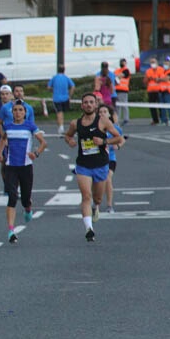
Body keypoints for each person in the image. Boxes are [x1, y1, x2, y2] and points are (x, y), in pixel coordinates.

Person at [63, 93, 123, 242]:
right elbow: (68, 135)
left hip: (101, 164)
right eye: (86, 102)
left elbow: (118, 137)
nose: (88, 105)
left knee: (96, 198)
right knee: (86, 196)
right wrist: (69, 141)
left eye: (91, 102)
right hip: (83, 165)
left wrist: (103, 142)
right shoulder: (75, 123)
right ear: (82, 105)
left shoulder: (103, 122)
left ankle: (96, 207)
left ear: (96, 105)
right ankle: (89, 229)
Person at [0, 100, 46, 244]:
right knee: (12, 197)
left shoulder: (30, 126)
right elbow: (3, 140)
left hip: (26, 167)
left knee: (25, 198)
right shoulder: (8, 126)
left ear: (25, 113)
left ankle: (28, 208)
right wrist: (0, 154)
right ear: (12, 113)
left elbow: (43, 142)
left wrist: (35, 154)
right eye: (15, 110)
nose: (17, 112)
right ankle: (11, 230)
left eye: (20, 110)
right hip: (11, 166)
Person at [94, 104, 120, 214]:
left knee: (108, 179)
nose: (102, 114)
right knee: (96, 182)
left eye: (105, 111)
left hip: (110, 159)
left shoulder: (114, 128)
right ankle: (96, 205)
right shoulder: (93, 127)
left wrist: (117, 146)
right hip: (96, 158)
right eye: (100, 112)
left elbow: (121, 140)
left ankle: (109, 205)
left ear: (109, 114)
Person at [47, 65, 75, 135]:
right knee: (63, 112)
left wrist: (53, 90)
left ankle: (61, 127)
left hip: (57, 98)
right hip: (65, 97)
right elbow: (73, 86)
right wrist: (70, 95)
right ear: (64, 70)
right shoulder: (66, 78)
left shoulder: (54, 78)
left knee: (59, 112)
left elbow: (48, 87)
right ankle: (64, 127)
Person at [144, 57, 164, 125]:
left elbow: (161, 79)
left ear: (157, 63)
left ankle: (162, 119)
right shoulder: (148, 71)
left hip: (159, 90)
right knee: (152, 106)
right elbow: (145, 81)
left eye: (154, 62)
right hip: (151, 90)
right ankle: (155, 120)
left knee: (160, 106)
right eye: (151, 62)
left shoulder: (161, 69)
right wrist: (147, 78)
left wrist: (155, 78)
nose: (152, 64)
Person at [114, 58, 132, 124]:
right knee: (117, 106)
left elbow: (120, 75)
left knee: (124, 105)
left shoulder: (126, 70)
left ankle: (126, 119)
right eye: (121, 62)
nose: (122, 63)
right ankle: (117, 119)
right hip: (116, 89)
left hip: (123, 90)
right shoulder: (117, 70)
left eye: (123, 62)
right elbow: (113, 77)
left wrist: (116, 76)